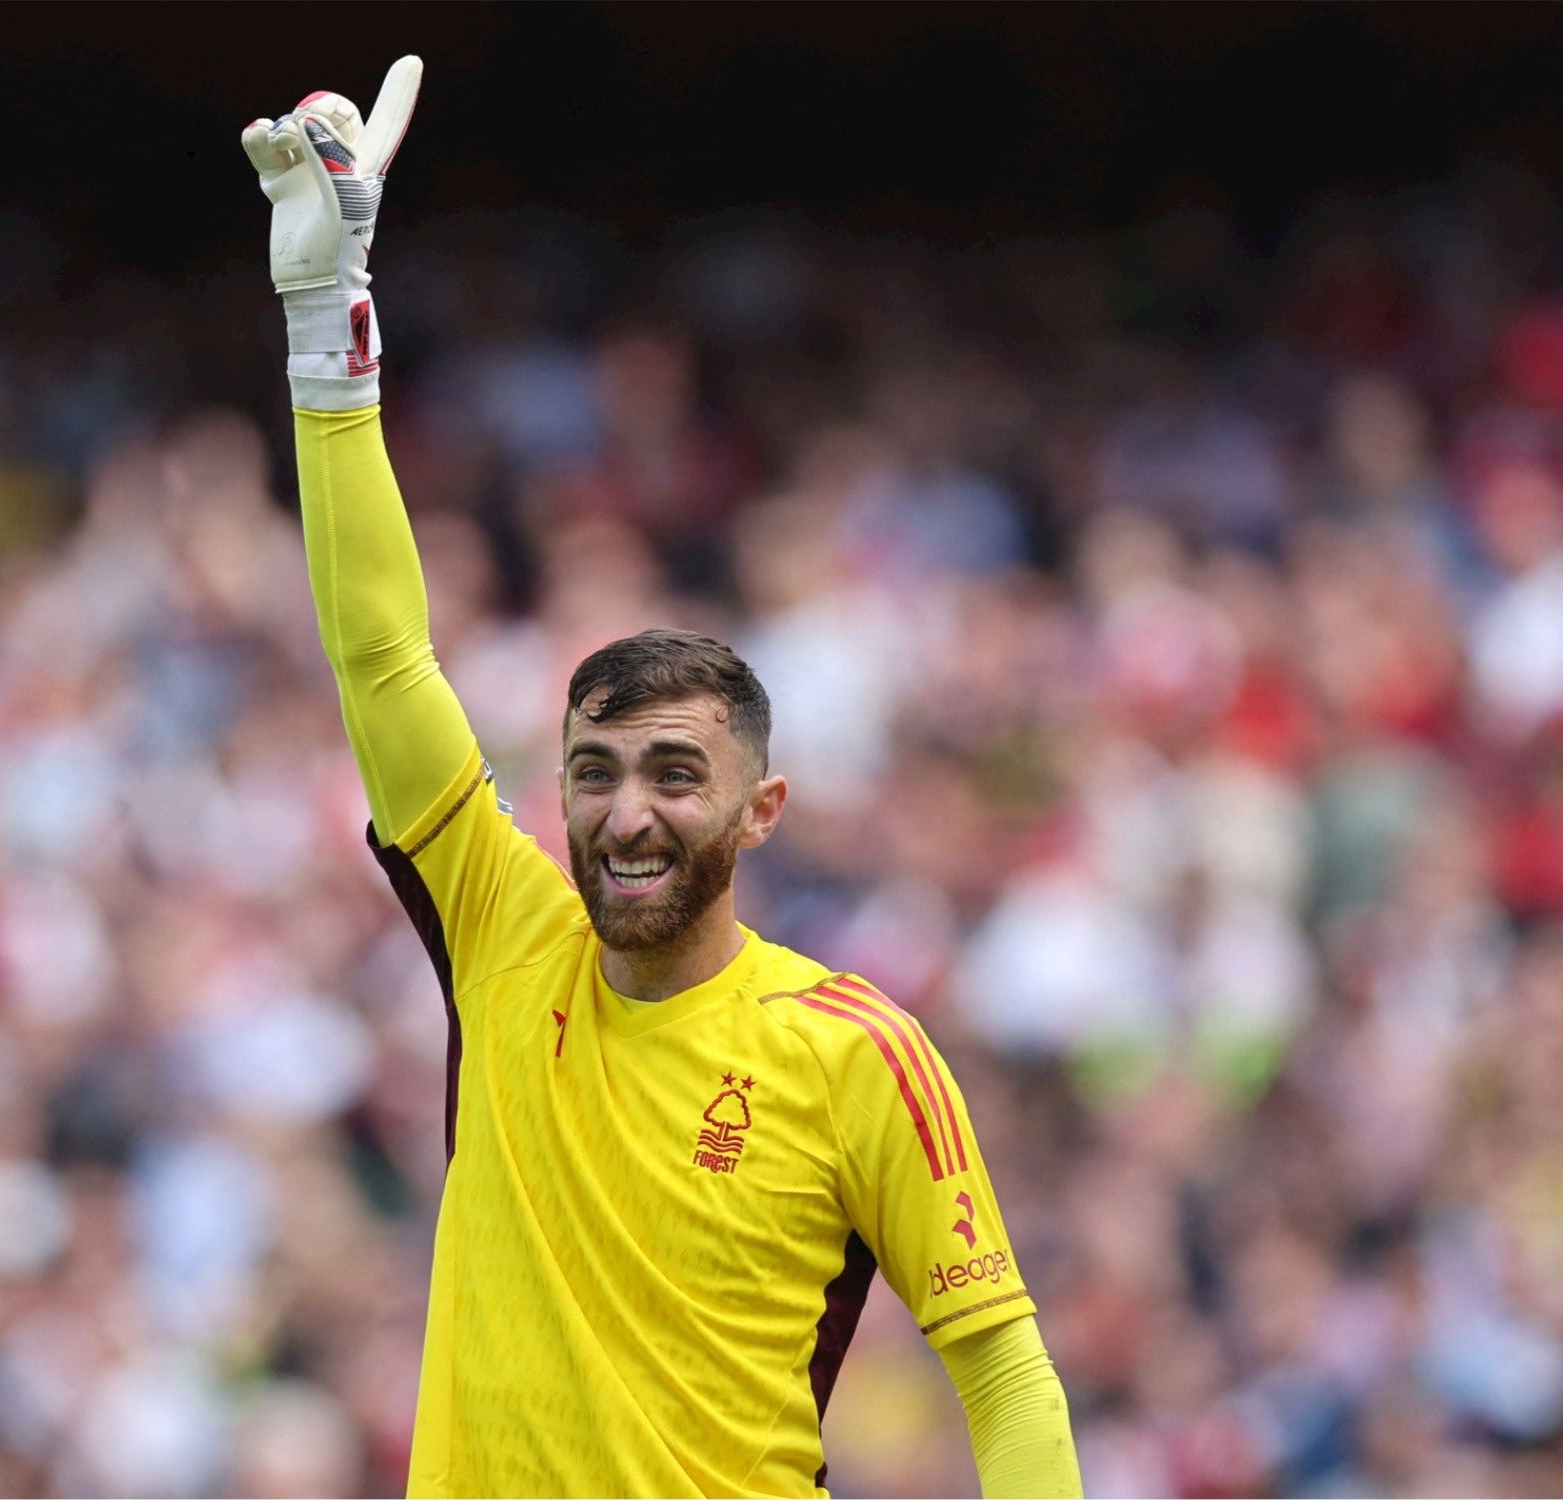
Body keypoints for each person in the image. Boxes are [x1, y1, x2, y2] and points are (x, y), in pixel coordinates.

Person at [240, 60, 1081, 1497]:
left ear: (763, 810)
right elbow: (381, 656)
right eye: (595, 772)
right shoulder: (508, 939)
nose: (627, 812)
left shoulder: (851, 1052)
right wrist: (330, 337)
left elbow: (1000, 1366)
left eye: (676, 774)